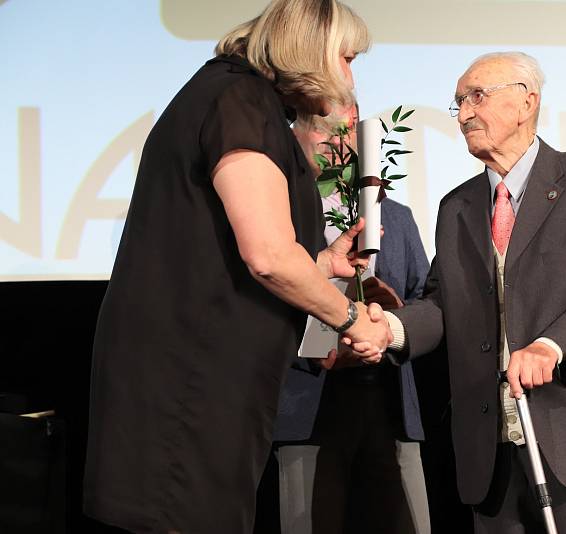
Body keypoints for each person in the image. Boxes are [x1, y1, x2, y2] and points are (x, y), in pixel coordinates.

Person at [82, 2, 390, 533]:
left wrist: (320, 262)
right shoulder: (238, 99)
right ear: (309, 51)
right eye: (346, 58)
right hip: (190, 382)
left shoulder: (238, 97)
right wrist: (352, 319)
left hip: (202, 376)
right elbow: (268, 256)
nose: (348, 78)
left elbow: (225, 247)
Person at [366, 51, 566, 533]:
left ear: (527, 103)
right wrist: (390, 328)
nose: (463, 114)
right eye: (458, 102)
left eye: (477, 97)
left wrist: (551, 345)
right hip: (490, 445)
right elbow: (442, 303)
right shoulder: (456, 206)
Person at [269, 107, 432, 534]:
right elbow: (260, 304)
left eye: (345, 135)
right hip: (310, 395)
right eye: (321, 133)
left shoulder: (395, 216)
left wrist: (392, 317)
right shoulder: (276, 216)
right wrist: (317, 340)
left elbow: (425, 300)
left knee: (407, 521)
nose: (335, 145)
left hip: (388, 395)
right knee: (307, 521)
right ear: (295, 142)